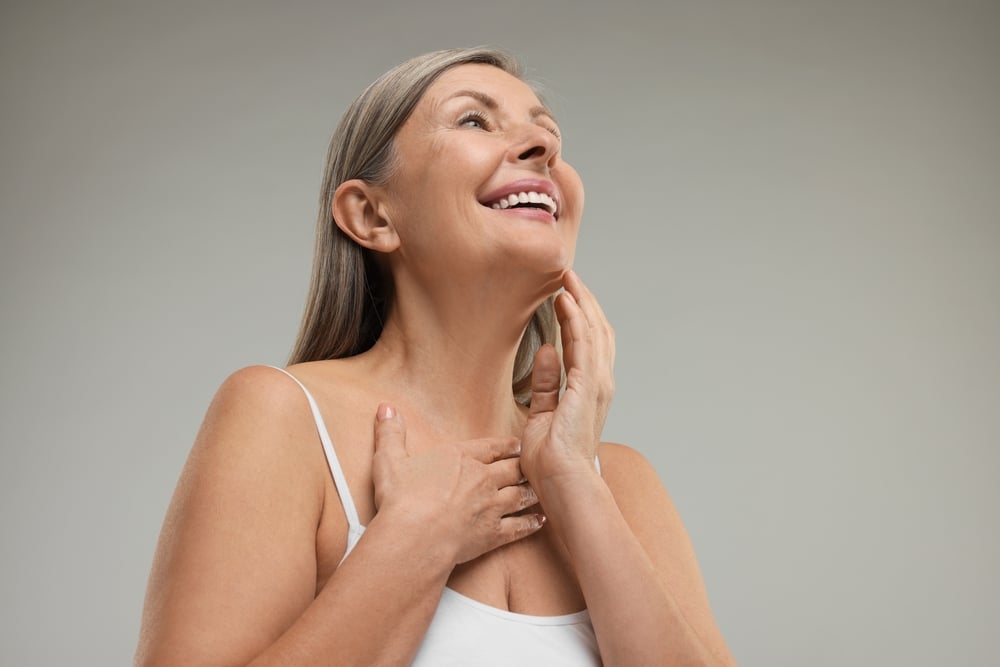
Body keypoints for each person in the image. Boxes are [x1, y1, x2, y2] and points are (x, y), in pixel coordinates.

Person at [136, 47, 737, 666]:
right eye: (474, 120)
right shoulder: (281, 418)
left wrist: (574, 485)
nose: (543, 147)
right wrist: (415, 539)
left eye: (549, 133)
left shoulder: (622, 484)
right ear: (372, 216)